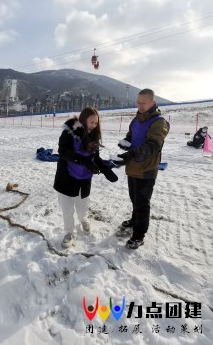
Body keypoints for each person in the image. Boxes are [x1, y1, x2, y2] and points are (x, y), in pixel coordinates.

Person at [54, 107, 118, 248]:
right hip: (66, 178)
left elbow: (95, 157)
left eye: (96, 123)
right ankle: (69, 232)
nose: (93, 126)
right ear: (83, 120)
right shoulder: (69, 132)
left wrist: (105, 169)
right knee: (67, 209)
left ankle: (84, 219)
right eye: (91, 122)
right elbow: (63, 151)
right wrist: (82, 161)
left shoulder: (93, 136)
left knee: (82, 207)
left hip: (84, 180)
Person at [115, 88, 169, 249]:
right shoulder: (136, 120)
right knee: (134, 198)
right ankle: (134, 220)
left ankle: (139, 236)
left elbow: (152, 145)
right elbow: (131, 136)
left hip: (146, 170)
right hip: (132, 167)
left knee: (142, 203)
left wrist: (131, 154)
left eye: (143, 102)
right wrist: (125, 142)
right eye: (138, 102)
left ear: (153, 102)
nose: (140, 105)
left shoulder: (159, 122)